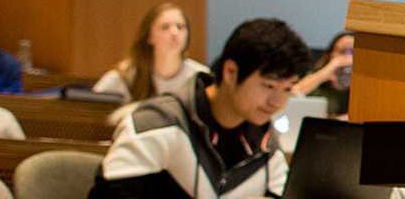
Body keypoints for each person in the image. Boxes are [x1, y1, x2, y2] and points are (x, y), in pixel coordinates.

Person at [91, 17, 312, 198]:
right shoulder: (158, 124)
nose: (276, 102)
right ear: (231, 72)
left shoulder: (265, 144)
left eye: (287, 89)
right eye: (269, 85)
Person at [93, 3, 211, 102]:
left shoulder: (201, 78)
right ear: (149, 37)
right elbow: (93, 107)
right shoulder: (126, 75)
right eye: (165, 27)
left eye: (180, 27)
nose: (175, 32)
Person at [292, 31, 354, 118]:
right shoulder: (314, 78)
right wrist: (327, 71)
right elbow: (291, 95)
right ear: (330, 54)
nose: (348, 58)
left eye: (353, 53)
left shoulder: (359, 87)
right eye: (343, 51)